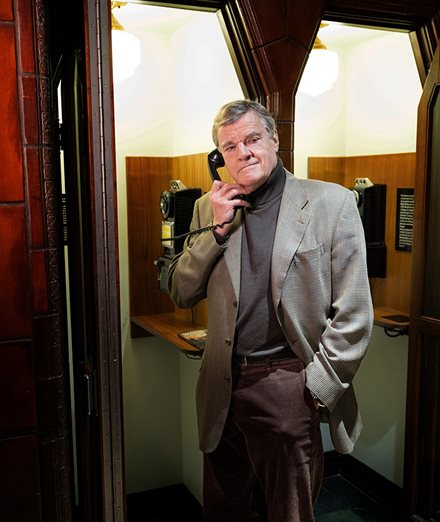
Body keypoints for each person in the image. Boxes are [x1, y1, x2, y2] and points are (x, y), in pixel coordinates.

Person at [168, 99, 373, 521]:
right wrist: (217, 233)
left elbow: (353, 312)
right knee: (225, 507)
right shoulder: (210, 208)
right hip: (221, 382)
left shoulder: (331, 204)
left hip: (288, 383)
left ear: (274, 140)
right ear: (219, 158)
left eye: (252, 139)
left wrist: (317, 387)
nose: (242, 152)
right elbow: (181, 292)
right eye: (229, 146)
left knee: (288, 512)